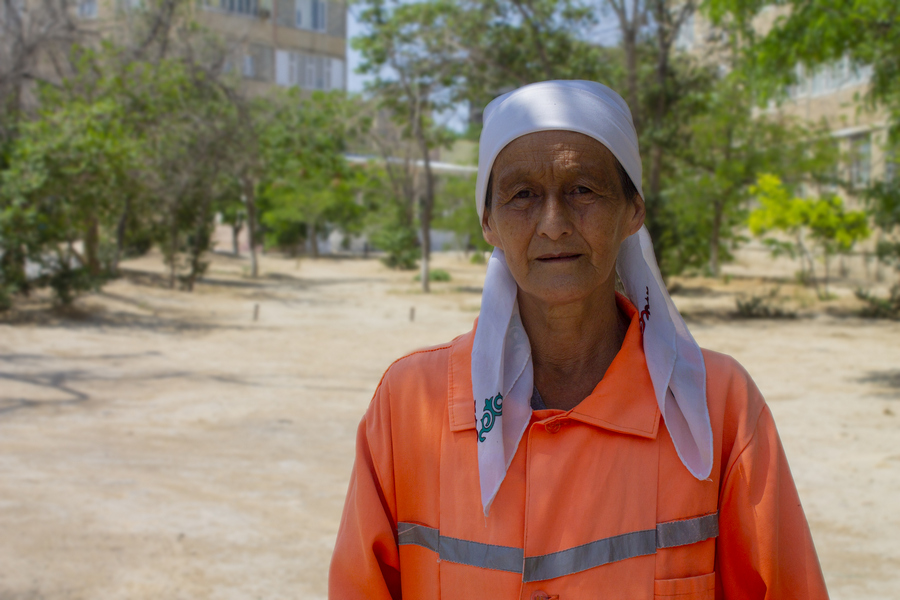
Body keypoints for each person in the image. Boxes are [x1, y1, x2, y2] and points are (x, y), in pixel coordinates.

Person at [329, 81, 829, 599]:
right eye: (522, 195)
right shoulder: (410, 403)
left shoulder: (717, 405)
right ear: (488, 221)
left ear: (632, 210)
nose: (554, 224)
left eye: (583, 190)